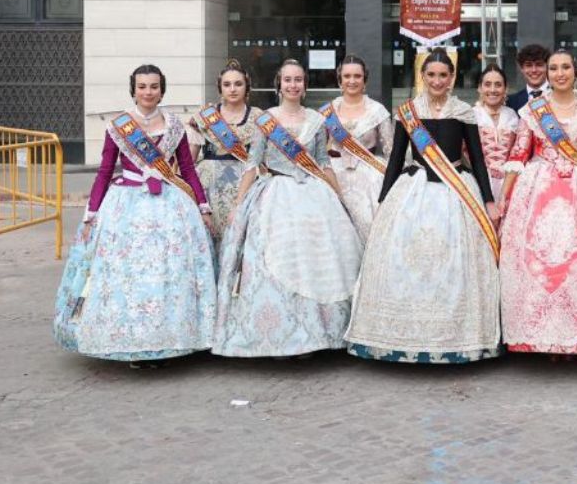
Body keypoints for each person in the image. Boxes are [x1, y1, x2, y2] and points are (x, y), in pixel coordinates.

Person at [345, 49, 500, 364]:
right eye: (431, 75)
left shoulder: (463, 112)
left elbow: (479, 160)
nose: (437, 81)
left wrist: (488, 200)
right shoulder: (408, 112)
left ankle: (459, 339)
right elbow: (395, 160)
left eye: (444, 75)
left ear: (452, 77)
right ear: (423, 76)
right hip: (413, 190)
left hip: (457, 190)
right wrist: (384, 200)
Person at [54, 65, 216, 363]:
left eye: (154, 86)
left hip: (170, 206)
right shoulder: (119, 126)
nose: (148, 92)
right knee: (129, 276)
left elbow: (188, 169)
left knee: (167, 273)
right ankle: (129, 341)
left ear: (162, 90)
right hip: (125, 207)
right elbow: (104, 171)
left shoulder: (175, 126)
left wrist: (203, 207)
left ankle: (170, 339)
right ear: (134, 90)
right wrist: (92, 213)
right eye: (142, 86)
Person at [212, 59, 362, 357]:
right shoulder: (266, 120)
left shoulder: (317, 121)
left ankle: (318, 332)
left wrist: (340, 199)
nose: (293, 85)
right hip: (274, 194)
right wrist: (238, 204)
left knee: (317, 261)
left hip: (313, 195)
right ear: (279, 85)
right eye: (288, 80)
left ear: (305, 86)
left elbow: (322, 163)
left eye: (298, 80)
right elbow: (253, 165)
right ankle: (283, 333)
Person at [499, 50, 577, 355]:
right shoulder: (533, 110)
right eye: (554, 68)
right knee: (536, 261)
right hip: (537, 189)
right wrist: (505, 199)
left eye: (565, 67)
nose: (560, 73)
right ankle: (537, 338)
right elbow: (518, 155)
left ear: (575, 71)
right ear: (548, 74)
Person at [187, 59, 263, 244]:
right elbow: (188, 162)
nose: (233, 89)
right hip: (209, 186)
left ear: (247, 87)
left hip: (246, 184)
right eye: (227, 84)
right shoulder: (205, 117)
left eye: (238, 84)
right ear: (220, 88)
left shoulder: (259, 117)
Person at [321, 54, 392, 242]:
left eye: (357, 76)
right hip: (333, 177)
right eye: (347, 76)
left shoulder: (378, 111)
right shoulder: (327, 111)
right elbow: (318, 152)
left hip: (370, 178)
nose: (352, 81)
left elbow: (391, 152)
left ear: (365, 80)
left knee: (370, 232)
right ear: (340, 80)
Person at [474, 64, 520, 201]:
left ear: (506, 89)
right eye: (487, 84)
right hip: (479, 181)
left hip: (509, 181)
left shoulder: (512, 115)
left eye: (498, 85)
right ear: (479, 88)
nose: (493, 90)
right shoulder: (471, 115)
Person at [506, 44, 550, 112]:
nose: (534, 70)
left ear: (547, 67)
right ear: (522, 69)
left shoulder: (561, 96)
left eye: (539, 64)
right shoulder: (511, 102)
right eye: (528, 65)